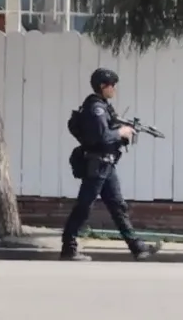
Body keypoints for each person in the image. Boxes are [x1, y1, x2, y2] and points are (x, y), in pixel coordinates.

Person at [61, 68, 162, 262]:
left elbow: (108, 134)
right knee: (84, 206)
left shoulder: (104, 107)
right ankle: (69, 247)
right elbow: (101, 137)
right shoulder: (95, 108)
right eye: (111, 85)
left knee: (118, 206)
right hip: (97, 165)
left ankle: (137, 247)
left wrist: (123, 133)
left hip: (106, 166)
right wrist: (120, 133)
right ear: (102, 86)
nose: (114, 89)